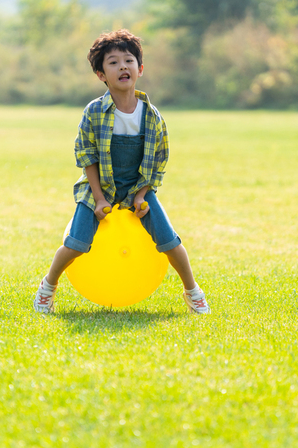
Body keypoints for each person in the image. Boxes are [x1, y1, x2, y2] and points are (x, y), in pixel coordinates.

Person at [34, 29, 210, 315]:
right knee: (77, 243)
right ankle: (48, 287)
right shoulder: (93, 112)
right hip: (98, 188)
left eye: (128, 60)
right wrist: (99, 198)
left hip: (136, 187)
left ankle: (193, 291)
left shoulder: (151, 116)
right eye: (113, 62)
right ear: (101, 74)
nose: (122, 67)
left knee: (169, 240)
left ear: (139, 69)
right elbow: (86, 155)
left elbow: (158, 161)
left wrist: (142, 195)